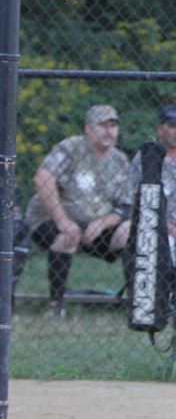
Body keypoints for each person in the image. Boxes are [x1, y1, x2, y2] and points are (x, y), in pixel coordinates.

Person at [25, 104, 133, 316]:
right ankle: (56, 305)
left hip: (97, 226)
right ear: (88, 128)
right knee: (68, 235)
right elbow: (43, 178)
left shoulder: (120, 160)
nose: (109, 131)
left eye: (113, 126)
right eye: (102, 125)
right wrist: (63, 221)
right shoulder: (71, 148)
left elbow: (126, 206)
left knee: (130, 230)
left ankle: (136, 303)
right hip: (54, 221)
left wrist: (101, 223)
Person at [129, 103, 176, 254]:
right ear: (159, 128)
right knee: (168, 247)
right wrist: (170, 229)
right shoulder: (145, 158)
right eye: (172, 126)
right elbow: (135, 200)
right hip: (152, 225)